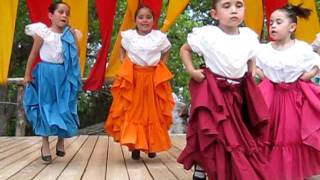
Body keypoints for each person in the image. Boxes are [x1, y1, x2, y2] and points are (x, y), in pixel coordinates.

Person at [177, 0, 270, 179]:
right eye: (226, 6)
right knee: (211, 129)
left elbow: (251, 57)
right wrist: (192, 71)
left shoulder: (248, 36)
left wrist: (251, 71)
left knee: (235, 134)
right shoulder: (208, 35)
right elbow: (184, 49)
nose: (233, 10)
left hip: (238, 93)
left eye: (239, 5)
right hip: (213, 91)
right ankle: (203, 166)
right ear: (215, 14)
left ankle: (233, 168)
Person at [255, 4, 320, 180]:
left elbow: (315, 63)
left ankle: (295, 173)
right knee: (268, 135)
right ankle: (270, 173)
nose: (273, 26)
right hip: (270, 98)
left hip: (294, 99)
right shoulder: (264, 50)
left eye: (278, 22)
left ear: (292, 27)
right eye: (270, 23)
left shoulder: (302, 49)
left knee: (292, 136)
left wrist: (309, 74)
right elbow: (256, 68)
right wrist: (263, 76)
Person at [105, 5, 174, 160]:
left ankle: (151, 146)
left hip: (152, 79)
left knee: (152, 112)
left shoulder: (159, 37)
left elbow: (167, 49)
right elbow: (122, 47)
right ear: (135, 20)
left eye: (148, 17)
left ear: (153, 20)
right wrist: (123, 59)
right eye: (141, 17)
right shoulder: (129, 36)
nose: (144, 20)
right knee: (134, 111)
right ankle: (135, 145)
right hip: (134, 79)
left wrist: (162, 63)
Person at [23, 2, 82, 164]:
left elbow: (75, 56)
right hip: (45, 74)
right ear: (51, 15)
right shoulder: (43, 34)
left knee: (64, 107)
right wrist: (27, 74)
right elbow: (33, 55)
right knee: (45, 107)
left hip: (63, 74)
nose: (64, 15)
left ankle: (61, 139)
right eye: (60, 12)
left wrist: (71, 38)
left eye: (67, 13)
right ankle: (45, 144)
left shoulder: (71, 34)